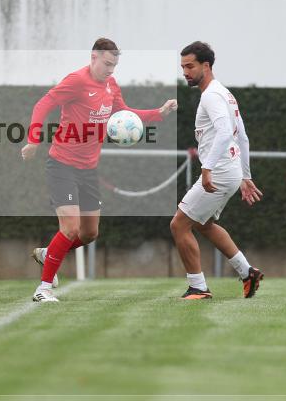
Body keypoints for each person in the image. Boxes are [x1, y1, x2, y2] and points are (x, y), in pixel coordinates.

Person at [20, 38, 177, 302]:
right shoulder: (76, 81)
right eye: (106, 64)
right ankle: (43, 289)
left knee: (89, 233)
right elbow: (42, 105)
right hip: (62, 165)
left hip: (88, 170)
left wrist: (158, 113)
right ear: (94, 57)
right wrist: (33, 140)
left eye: (114, 65)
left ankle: (49, 254)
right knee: (70, 228)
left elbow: (124, 113)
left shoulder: (111, 85)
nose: (110, 70)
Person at [170, 41, 264, 300]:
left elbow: (226, 133)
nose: (186, 72)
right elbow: (242, 136)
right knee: (204, 224)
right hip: (229, 171)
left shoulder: (211, 96)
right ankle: (248, 273)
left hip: (220, 172)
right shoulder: (225, 94)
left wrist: (207, 168)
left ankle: (198, 287)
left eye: (190, 66)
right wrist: (245, 176)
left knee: (179, 225)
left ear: (206, 65)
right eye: (183, 67)